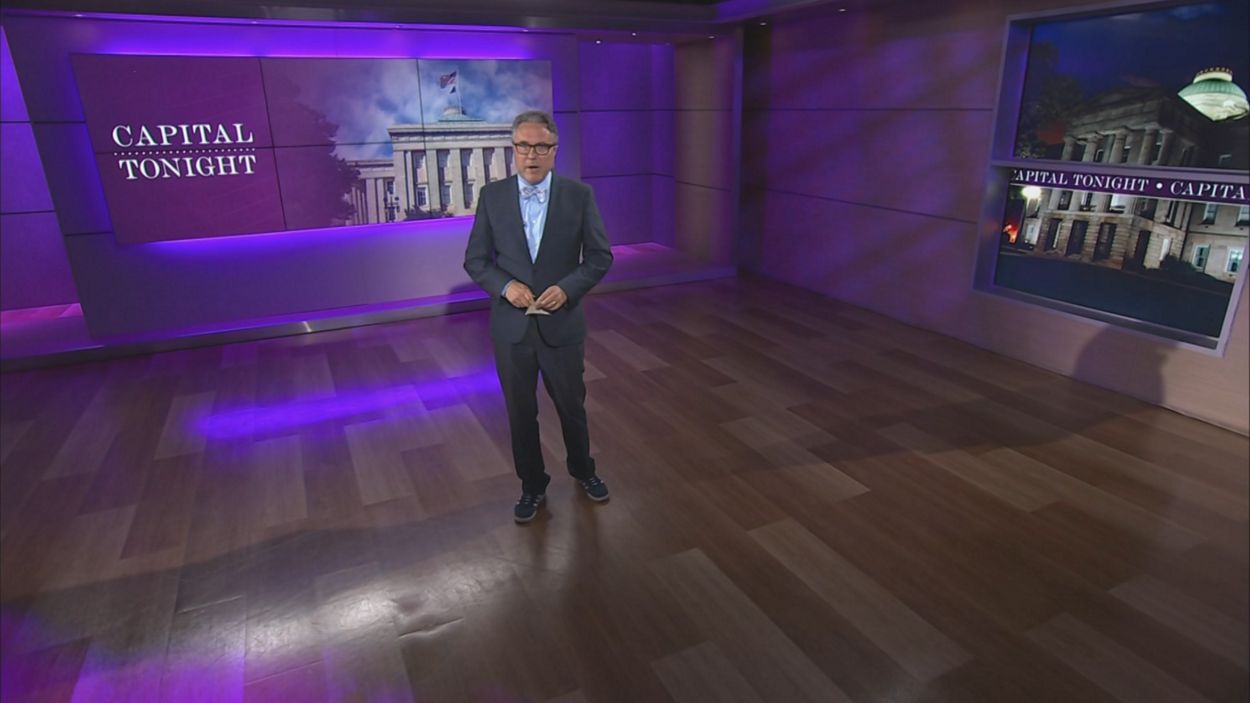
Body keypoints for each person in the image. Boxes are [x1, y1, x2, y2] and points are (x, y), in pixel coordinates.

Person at [464, 110, 614, 523]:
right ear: (513, 150)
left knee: (572, 406)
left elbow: (599, 257)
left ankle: (584, 471)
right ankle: (532, 486)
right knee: (520, 413)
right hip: (511, 329)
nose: (531, 154)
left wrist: (567, 289)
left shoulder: (578, 195)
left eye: (541, 146)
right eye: (523, 146)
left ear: (555, 150)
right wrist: (505, 287)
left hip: (561, 324)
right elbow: (476, 261)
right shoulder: (491, 196)